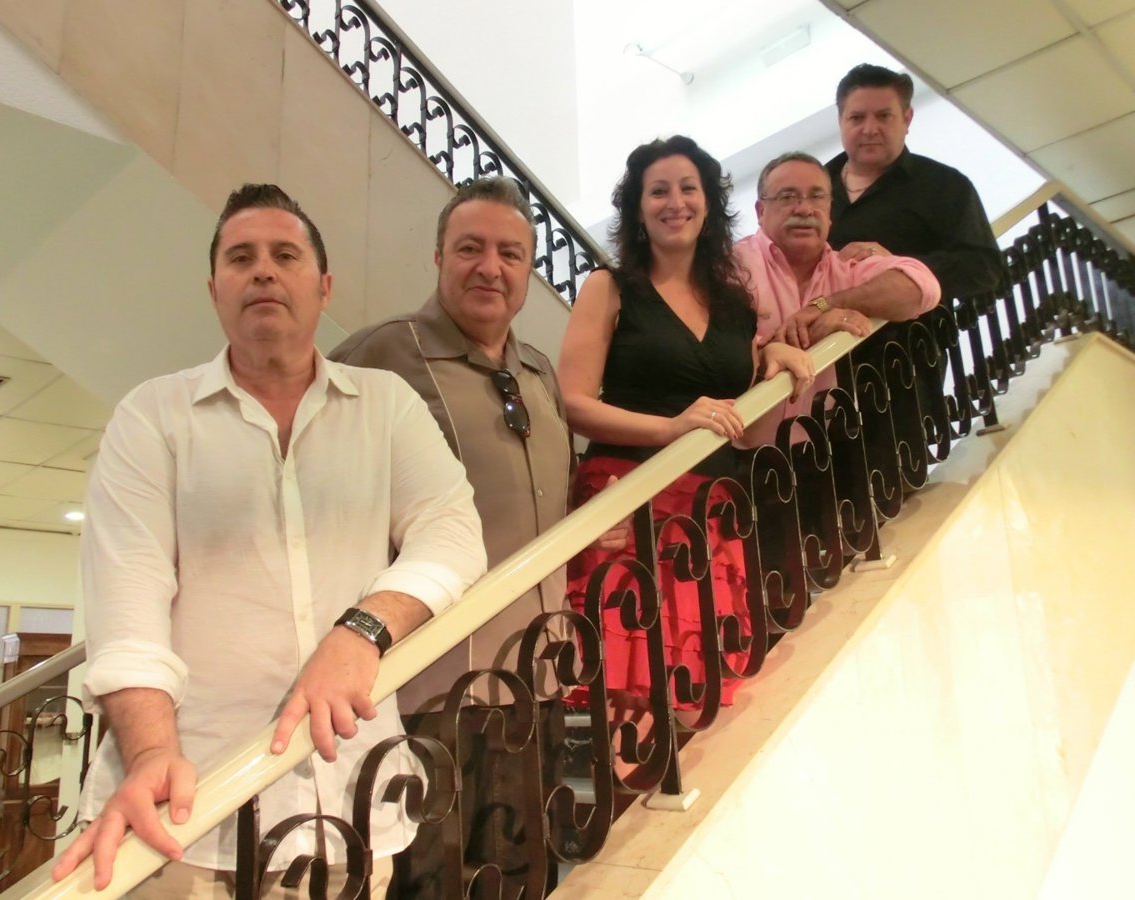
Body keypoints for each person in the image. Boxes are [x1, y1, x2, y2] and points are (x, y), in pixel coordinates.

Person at [51, 184, 487, 899]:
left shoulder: (385, 405)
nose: (262, 271)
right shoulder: (152, 416)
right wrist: (151, 750)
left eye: (285, 255)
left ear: (323, 286)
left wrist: (363, 630)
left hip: (354, 804)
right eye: (240, 258)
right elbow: (128, 601)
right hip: (188, 816)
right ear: (214, 290)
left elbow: (453, 530)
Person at [331, 177, 612, 898]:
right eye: (470, 248)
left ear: (528, 270)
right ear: (438, 257)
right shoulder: (380, 355)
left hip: (538, 678)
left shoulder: (538, 371)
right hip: (434, 692)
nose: (491, 267)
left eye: (510, 253)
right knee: (434, 881)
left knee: (525, 873)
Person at [557, 136, 814, 730]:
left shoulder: (735, 304)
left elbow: (742, 408)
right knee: (628, 690)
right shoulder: (609, 287)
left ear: (708, 203)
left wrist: (771, 360)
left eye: (688, 188)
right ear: (637, 209)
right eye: (658, 191)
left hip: (712, 507)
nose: (675, 202)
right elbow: (571, 403)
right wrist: (671, 428)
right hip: (629, 493)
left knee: (703, 687)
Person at [736, 151, 941, 422]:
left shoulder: (845, 267)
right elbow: (720, 361)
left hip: (826, 443)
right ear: (761, 212)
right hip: (735, 444)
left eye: (816, 197)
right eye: (787, 197)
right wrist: (814, 332)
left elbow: (922, 287)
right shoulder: (730, 268)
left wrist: (828, 304)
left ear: (829, 211)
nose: (804, 209)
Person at [826, 63, 1004, 302]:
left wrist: (900, 266)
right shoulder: (810, 187)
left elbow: (983, 268)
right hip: (816, 323)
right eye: (857, 118)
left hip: (913, 326)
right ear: (840, 121)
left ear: (907, 119)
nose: (869, 129)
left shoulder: (945, 185)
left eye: (883, 116)